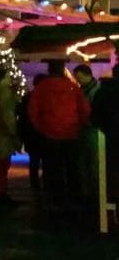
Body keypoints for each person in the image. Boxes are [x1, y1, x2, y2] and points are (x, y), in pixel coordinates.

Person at [28, 60, 90, 211]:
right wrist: (79, 126)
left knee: (54, 168)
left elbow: (33, 112)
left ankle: (58, 199)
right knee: (72, 167)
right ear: (63, 70)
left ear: (49, 70)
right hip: (71, 133)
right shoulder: (72, 87)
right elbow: (85, 109)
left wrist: (42, 128)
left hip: (50, 134)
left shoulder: (41, 88)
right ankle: (75, 197)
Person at [0, 68, 21, 206]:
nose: (10, 79)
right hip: (3, 134)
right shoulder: (4, 92)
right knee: (3, 164)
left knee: (1, 164)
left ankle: (1, 192)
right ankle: (2, 194)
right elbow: (6, 114)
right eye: (8, 77)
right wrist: (13, 131)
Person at [73, 64, 101, 211]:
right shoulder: (87, 89)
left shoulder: (94, 90)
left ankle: (93, 192)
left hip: (91, 130)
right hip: (86, 130)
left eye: (79, 77)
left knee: (92, 162)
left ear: (87, 75)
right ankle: (90, 191)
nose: (77, 80)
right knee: (87, 162)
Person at [92, 68, 119, 204]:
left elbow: (95, 116)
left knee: (111, 170)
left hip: (110, 137)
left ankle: (111, 199)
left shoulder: (103, 91)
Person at [18, 73, 47, 191]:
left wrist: (21, 136)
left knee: (34, 161)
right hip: (45, 134)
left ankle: (35, 184)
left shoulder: (28, 97)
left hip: (31, 134)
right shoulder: (47, 97)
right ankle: (45, 183)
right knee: (46, 160)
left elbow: (22, 118)